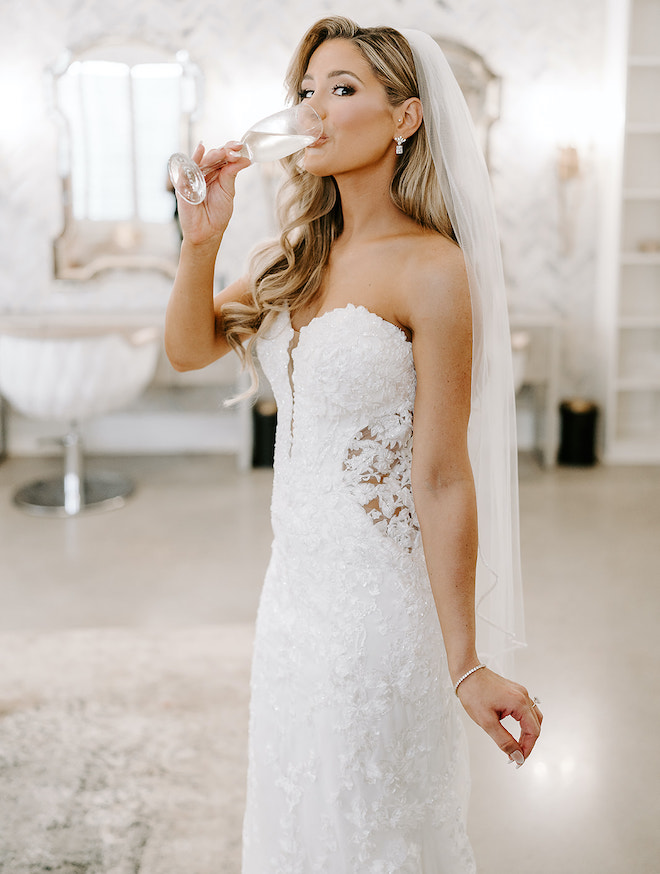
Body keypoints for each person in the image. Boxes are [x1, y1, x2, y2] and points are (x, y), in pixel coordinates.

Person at [165, 15, 542, 872]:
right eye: (306, 92)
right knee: (296, 820)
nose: (315, 113)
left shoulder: (431, 269)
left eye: (343, 90)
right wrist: (201, 241)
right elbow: (189, 348)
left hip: (380, 616)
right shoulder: (290, 254)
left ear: (405, 117)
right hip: (290, 604)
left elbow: (444, 476)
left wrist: (466, 664)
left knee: (368, 835)